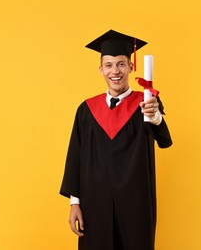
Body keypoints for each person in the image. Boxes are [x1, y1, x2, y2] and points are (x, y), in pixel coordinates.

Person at [60, 29, 172, 250]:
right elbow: (76, 156)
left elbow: (164, 139)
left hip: (136, 202)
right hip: (95, 203)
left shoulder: (147, 103)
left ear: (131, 67)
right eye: (109, 65)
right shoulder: (86, 110)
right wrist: (75, 203)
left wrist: (155, 116)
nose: (115, 71)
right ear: (101, 69)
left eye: (121, 64)